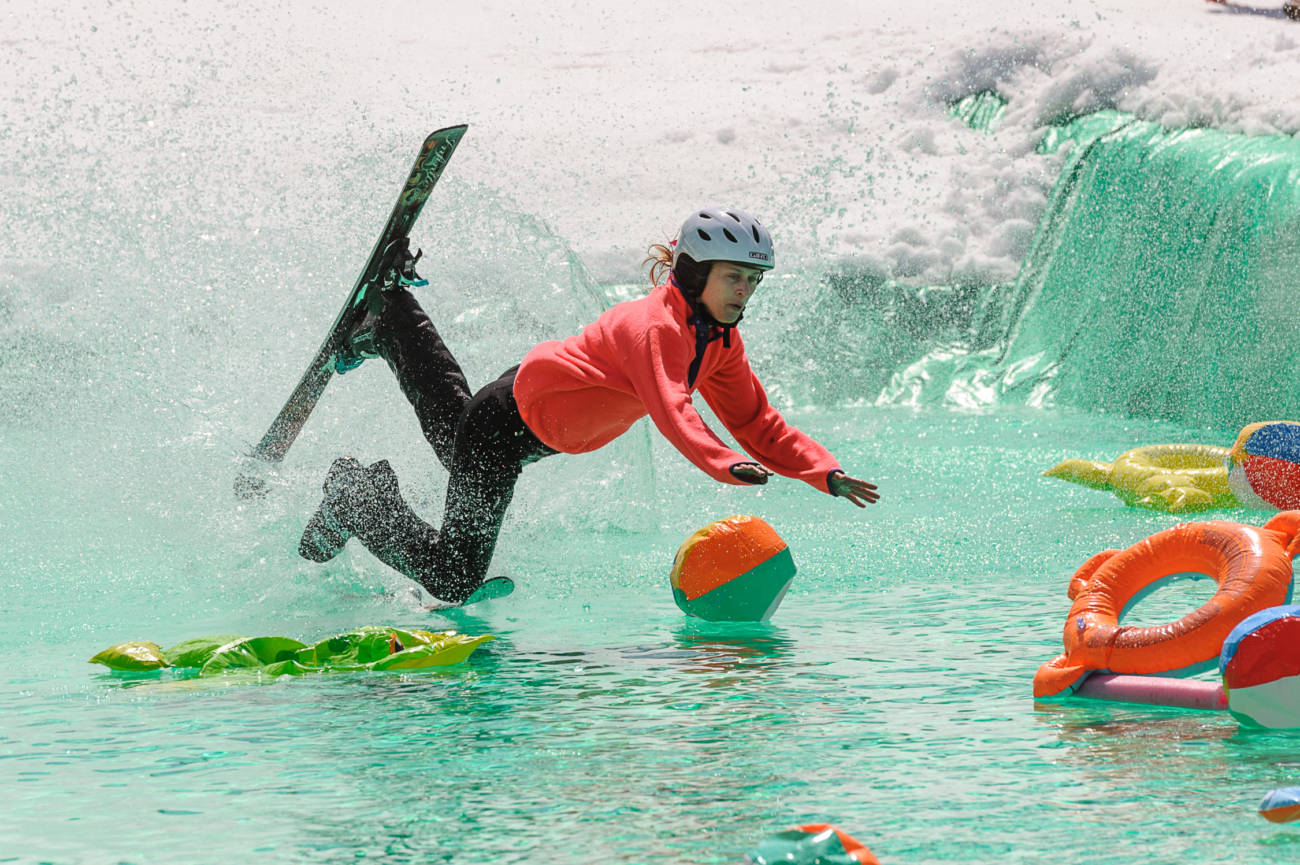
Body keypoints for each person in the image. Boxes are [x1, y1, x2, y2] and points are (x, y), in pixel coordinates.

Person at [298, 207, 881, 606]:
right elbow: (672, 408)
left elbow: (757, 420)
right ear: (695, 273)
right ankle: (358, 501)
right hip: (507, 427)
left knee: (456, 429)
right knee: (454, 576)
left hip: (522, 420)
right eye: (734, 278)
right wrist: (723, 464)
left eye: (753, 281)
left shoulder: (719, 343)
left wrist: (819, 470)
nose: (744, 292)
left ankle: (391, 317)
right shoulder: (656, 329)